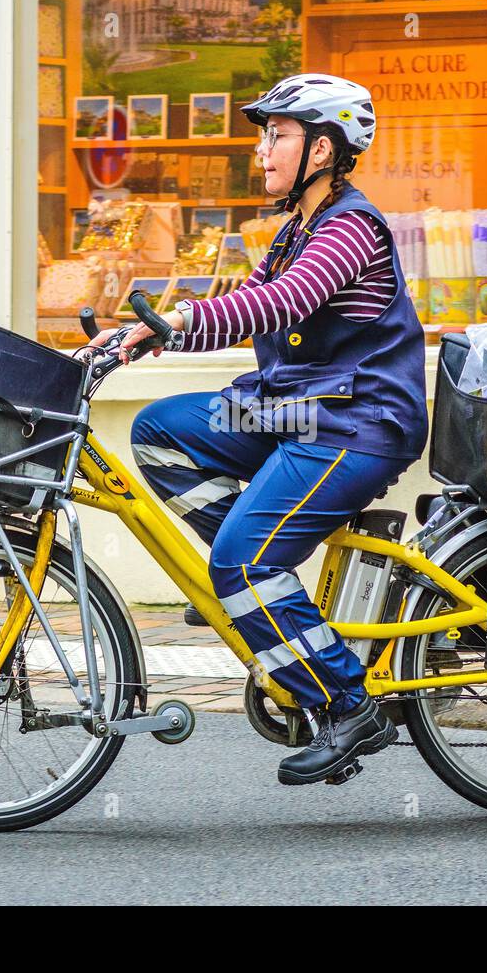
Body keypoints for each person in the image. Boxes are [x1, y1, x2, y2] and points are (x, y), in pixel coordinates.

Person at [87, 74, 428, 786]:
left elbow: (281, 304)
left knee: (241, 562)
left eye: (277, 134)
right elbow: (246, 298)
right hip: (296, 412)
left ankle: (345, 702)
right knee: (160, 431)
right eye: (263, 133)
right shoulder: (301, 226)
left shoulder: (350, 228)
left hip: (354, 425)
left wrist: (176, 321)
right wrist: (149, 337)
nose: (262, 148)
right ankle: (266, 592)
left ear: (323, 148)